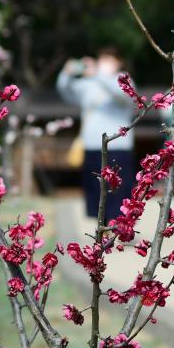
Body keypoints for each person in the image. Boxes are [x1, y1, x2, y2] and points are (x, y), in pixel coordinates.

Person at [57, 47, 135, 223]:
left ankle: (119, 226)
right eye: (103, 58)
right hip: (92, 144)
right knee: (95, 189)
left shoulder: (124, 80)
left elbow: (121, 95)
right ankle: (102, 226)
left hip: (118, 146)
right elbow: (65, 91)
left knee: (118, 189)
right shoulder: (89, 83)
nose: (105, 63)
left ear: (119, 62)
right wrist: (66, 73)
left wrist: (98, 74)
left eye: (110, 59)